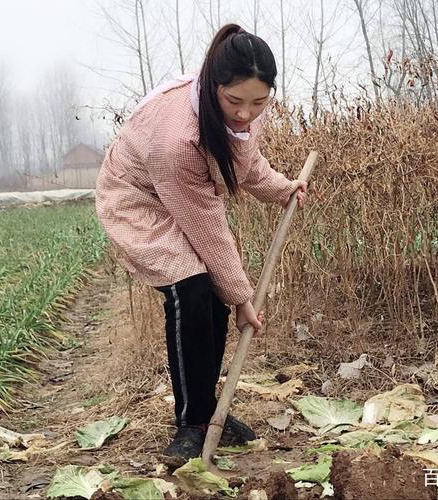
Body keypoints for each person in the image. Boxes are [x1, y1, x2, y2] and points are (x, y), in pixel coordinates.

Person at [95, 23, 307, 465]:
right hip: (136, 198)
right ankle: (192, 424)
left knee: (212, 297)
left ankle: (211, 410)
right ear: (214, 85)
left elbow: (246, 164)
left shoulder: (240, 113)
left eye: (259, 102)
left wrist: (284, 189)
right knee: (190, 290)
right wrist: (244, 297)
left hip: (174, 194)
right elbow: (207, 226)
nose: (246, 114)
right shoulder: (177, 139)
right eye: (235, 102)